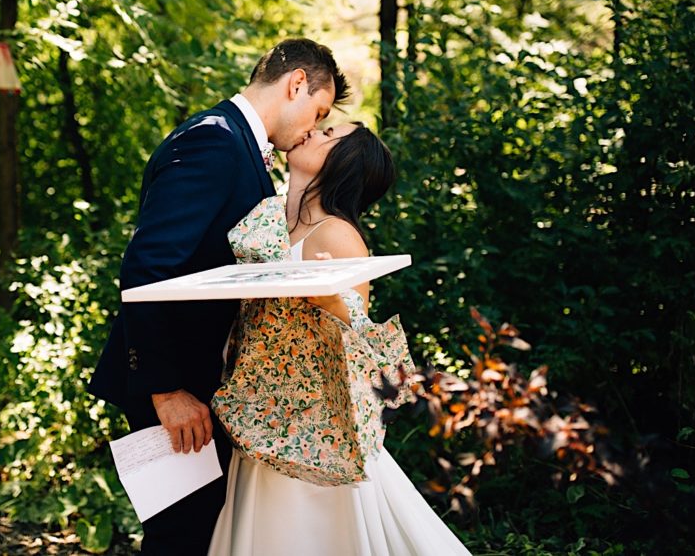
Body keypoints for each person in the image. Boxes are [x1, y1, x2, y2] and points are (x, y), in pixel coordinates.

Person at [88, 39, 350, 556]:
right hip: (173, 386)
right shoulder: (214, 141)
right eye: (318, 111)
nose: (312, 128)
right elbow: (148, 263)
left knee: (197, 532)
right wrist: (165, 391)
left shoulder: (238, 146)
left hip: (204, 383)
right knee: (179, 536)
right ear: (296, 83)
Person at [208, 124, 472, 555]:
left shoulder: (337, 234)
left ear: (343, 161)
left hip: (313, 436)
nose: (312, 130)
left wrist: (334, 301)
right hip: (262, 417)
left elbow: (365, 353)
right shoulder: (269, 220)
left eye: (328, 132)